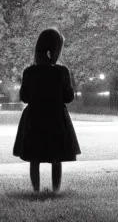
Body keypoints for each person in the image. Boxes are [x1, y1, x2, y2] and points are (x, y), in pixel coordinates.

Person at [13, 28, 81, 192]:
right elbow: (68, 97)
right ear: (55, 50)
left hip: (34, 117)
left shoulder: (29, 72)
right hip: (55, 117)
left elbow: (24, 96)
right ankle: (56, 189)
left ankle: (36, 190)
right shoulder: (61, 72)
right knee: (56, 156)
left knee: (34, 157)